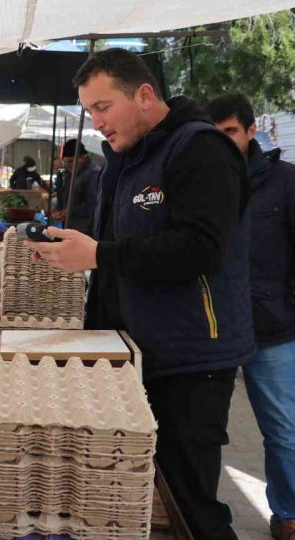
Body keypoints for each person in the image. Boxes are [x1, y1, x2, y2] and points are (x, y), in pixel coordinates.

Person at [28, 48, 254, 540]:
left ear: (145, 95)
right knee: (153, 493)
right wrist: (93, 338)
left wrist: (99, 255)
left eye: (103, 107)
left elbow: (202, 248)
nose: (97, 123)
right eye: (90, 112)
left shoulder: (201, 149)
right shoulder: (124, 161)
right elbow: (113, 255)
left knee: (192, 499)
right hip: (139, 353)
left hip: (193, 358)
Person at [208, 93, 295, 540]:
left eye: (231, 133)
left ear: (250, 130)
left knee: (284, 430)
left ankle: (288, 514)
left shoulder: (285, 181)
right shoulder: (200, 181)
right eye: (214, 134)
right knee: (205, 434)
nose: (223, 143)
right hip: (215, 329)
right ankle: (205, 515)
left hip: (272, 330)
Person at [52, 141, 101, 234]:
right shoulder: (70, 172)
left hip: (85, 227)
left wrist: (69, 211)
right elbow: (64, 193)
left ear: (82, 157)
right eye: (65, 162)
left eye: (71, 161)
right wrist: (59, 209)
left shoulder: (93, 173)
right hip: (70, 225)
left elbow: (93, 203)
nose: (68, 165)